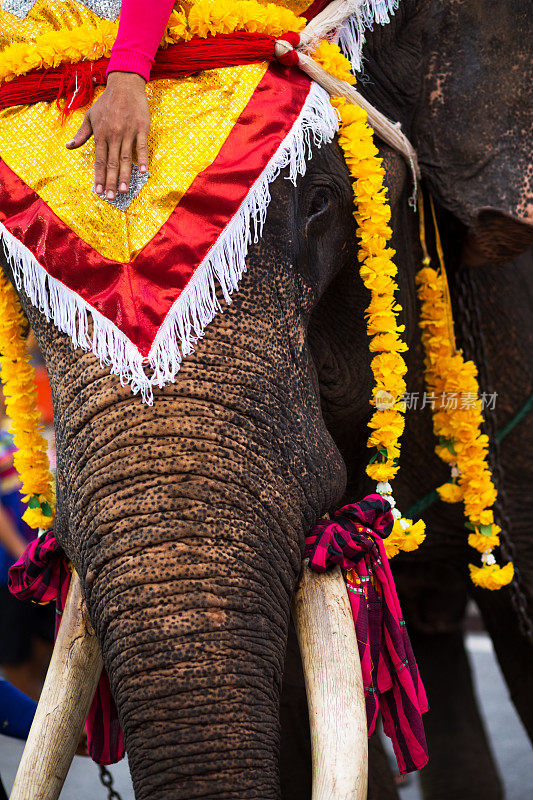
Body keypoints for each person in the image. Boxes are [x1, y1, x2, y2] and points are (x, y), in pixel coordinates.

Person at [0, 404, 54, 701]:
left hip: (42, 551)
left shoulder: (22, 424)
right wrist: (23, 554)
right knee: (13, 653)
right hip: (14, 560)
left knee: (45, 640)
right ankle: (35, 724)